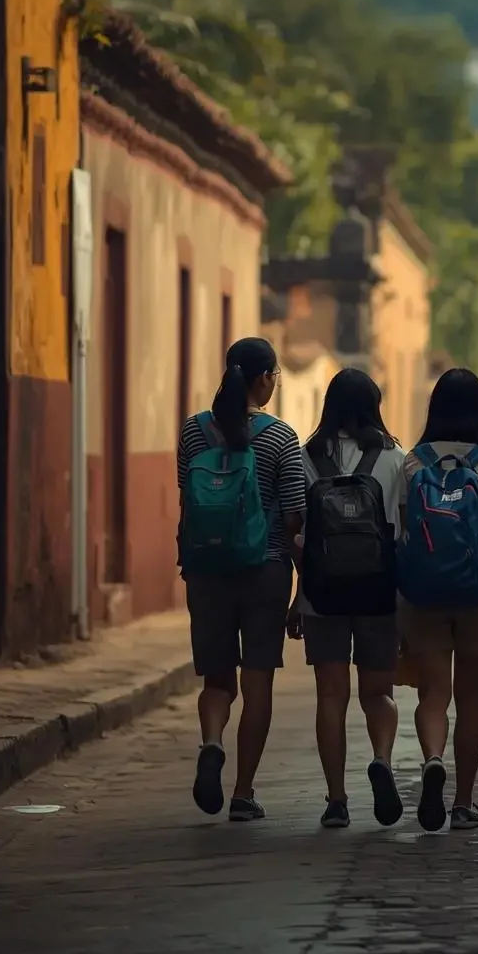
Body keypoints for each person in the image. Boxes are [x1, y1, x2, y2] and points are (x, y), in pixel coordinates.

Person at [177, 337, 305, 822]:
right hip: (264, 570)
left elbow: (188, 500)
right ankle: (244, 792)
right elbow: (295, 518)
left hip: (207, 571)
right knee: (258, 682)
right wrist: (303, 583)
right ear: (265, 379)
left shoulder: (194, 431)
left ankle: (212, 743)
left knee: (217, 678)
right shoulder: (280, 437)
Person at [398, 368, 478, 832]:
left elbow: (402, 533)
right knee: (472, 698)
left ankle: (433, 758)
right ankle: (464, 803)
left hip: (423, 591)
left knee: (435, 691)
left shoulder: (412, 462)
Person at [290, 368, 407, 829]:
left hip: (323, 596)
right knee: (378, 692)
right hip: (380, 592)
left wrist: (301, 593)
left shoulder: (306, 457)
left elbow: (296, 534)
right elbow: (402, 531)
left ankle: (336, 798)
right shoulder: (395, 459)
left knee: (331, 696)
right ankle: (381, 758)